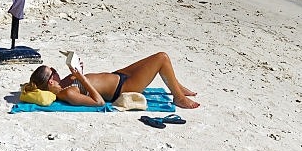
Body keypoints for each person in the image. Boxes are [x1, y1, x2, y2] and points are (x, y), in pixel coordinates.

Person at [24, 52, 199, 109]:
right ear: (50, 83)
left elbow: (88, 83)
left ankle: (177, 86)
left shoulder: (64, 82)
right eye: (53, 72)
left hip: (117, 75)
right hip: (123, 87)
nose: (56, 71)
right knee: (162, 58)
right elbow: (99, 102)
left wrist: (80, 70)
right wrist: (82, 78)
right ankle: (179, 97)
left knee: (154, 60)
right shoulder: (67, 93)